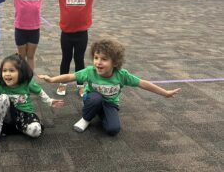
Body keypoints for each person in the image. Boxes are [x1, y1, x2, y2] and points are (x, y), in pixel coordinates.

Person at [31, 0, 131, 97]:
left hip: (81, 34)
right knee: (66, 58)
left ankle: (80, 85)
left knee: (79, 60)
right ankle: (62, 82)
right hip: (66, 34)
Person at [38, 38, 181, 136]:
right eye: (96, 58)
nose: (98, 62)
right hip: (92, 98)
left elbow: (143, 83)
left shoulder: (121, 75)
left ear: (115, 62)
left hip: (110, 103)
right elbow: (70, 76)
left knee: (113, 130)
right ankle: (86, 118)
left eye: (104, 59)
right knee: (95, 98)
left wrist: (165, 93)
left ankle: (100, 112)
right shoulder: (90, 71)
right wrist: (52, 80)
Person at [0, 54, 64, 149]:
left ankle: (20, 127)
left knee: (36, 131)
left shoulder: (27, 83)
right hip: (7, 116)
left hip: (24, 114)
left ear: (21, 72)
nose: (7, 74)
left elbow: (40, 92)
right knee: (3, 97)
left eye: (12, 70)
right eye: (4, 70)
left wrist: (50, 101)